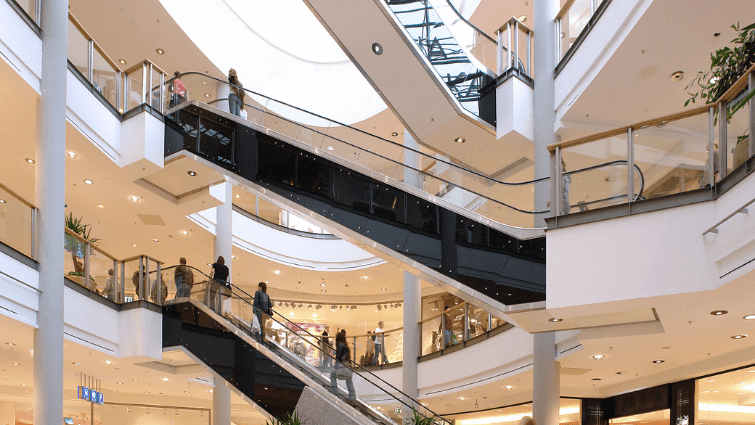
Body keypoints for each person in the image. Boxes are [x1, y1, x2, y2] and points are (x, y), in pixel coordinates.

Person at [329, 332, 356, 401]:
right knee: (349, 381)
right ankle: (352, 398)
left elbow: (338, 358)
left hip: (342, 366)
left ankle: (335, 392)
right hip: (349, 366)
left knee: (332, 376)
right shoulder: (345, 345)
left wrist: (335, 367)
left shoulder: (340, 345)